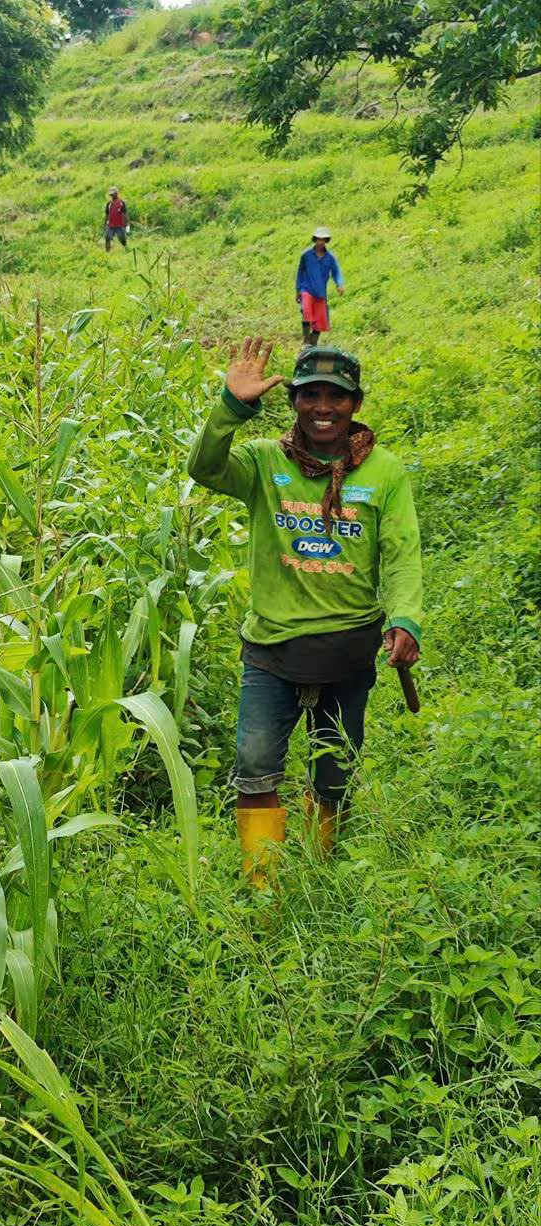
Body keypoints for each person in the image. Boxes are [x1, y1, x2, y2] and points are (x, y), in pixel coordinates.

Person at [187, 338, 422, 889]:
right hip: (271, 653)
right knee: (255, 771)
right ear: (292, 401)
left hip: (348, 652)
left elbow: (403, 553)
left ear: (355, 404)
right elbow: (204, 467)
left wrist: (406, 619)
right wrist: (231, 406)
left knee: (333, 775)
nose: (323, 407)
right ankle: (261, 892)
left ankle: (318, 878)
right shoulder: (264, 463)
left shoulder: (385, 473)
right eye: (309, 394)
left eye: (335, 396)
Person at [296, 227, 344, 346]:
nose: (320, 242)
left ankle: (313, 344)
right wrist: (298, 290)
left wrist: (340, 284)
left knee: (320, 321)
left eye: (323, 240)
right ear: (315, 240)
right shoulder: (306, 255)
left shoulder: (330, 258)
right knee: (306, 312)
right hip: (306, 289)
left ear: (326, 241)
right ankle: (306, 341)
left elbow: (336, 272)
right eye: (318, 239)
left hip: (320, 292)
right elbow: (300, 272)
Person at [104, 187, 130, 252]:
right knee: (107, 238)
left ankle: (127, 250)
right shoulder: (109, 204)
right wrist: (105, 225)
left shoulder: (121, 203)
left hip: (119, 225)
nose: (112, 196)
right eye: (111, 194)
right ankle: (107, 253)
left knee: (123, 240)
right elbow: (107, 215)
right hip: (110, 225)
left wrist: (127, 225)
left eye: (113, 194)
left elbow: (125, 214)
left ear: (116, 193)